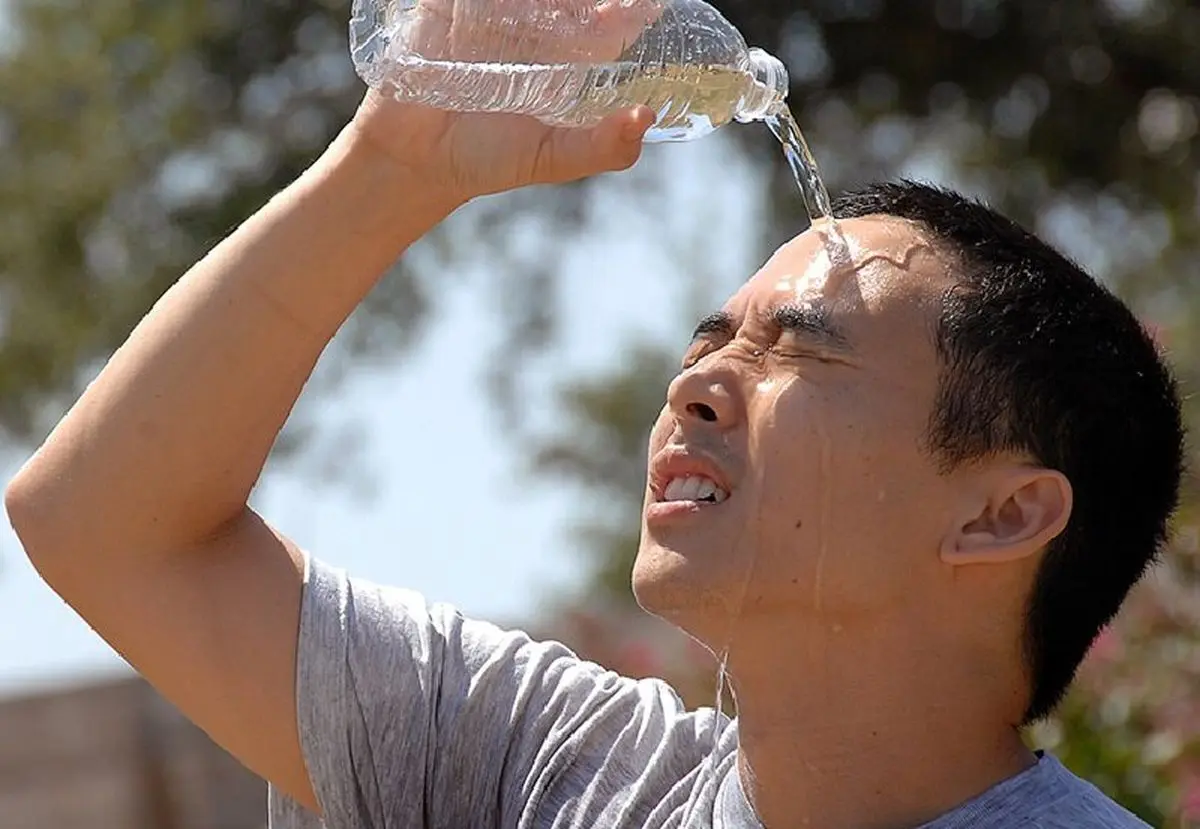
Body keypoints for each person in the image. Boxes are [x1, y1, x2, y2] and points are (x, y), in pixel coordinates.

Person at [5, 51, 1184, 829]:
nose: (700, 385)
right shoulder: (546, 767)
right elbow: (103, 525)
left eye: (805, 349)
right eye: (707, 341)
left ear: (1002, 513)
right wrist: (392, 165)